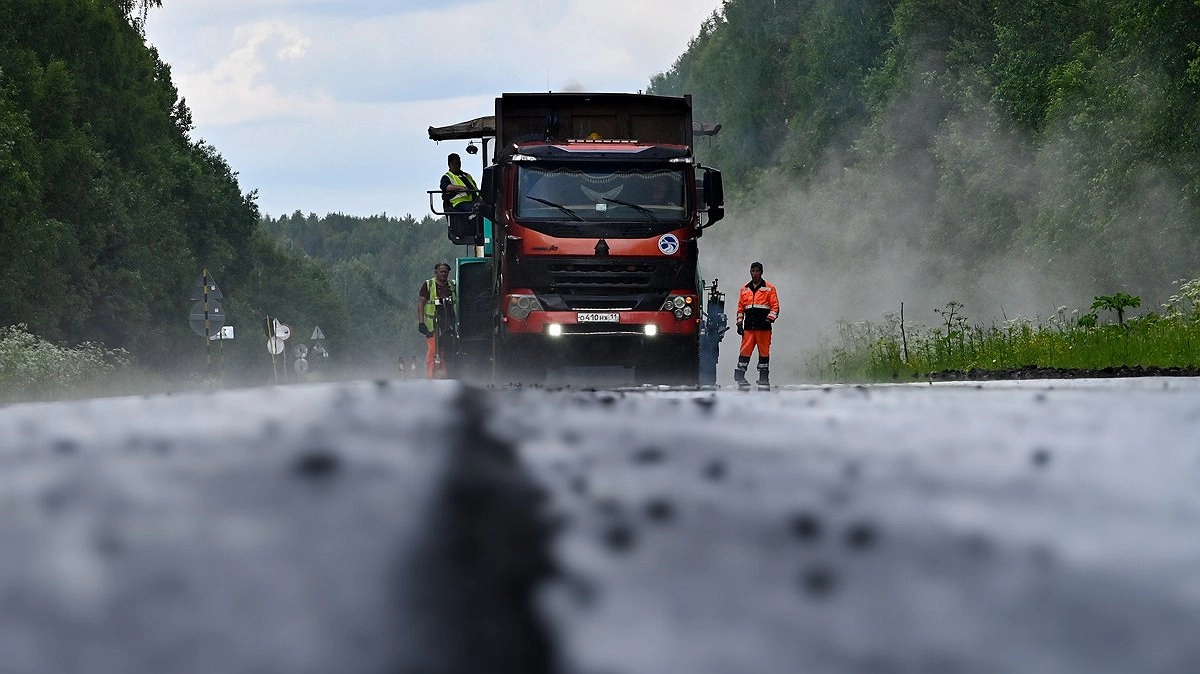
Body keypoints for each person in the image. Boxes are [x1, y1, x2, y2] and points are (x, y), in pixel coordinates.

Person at [734, 261, 780, 389]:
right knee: (744, 352)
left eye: (757, 271)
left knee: (764, 353)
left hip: (764, 328)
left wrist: (769, 320)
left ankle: (763, 378)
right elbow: (740, 308)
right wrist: (739, 324)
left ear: (761, 272)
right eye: (753, 271)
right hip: (749, 327)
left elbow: (775, 307)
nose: (755, 273)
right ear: (750, 272)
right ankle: (740, 376)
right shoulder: (744, 289)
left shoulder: (769, 288)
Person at [417, 262, 458, 379]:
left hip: (448, 324)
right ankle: (430, 376)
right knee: (433, 350)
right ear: (436, 273)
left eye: (446, 272)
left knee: (446, 350)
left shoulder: (452, 285)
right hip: (432, 325)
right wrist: (421, 322)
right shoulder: (428, 285)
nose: (444, 274)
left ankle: (444, 375)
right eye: (441, 272)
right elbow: (421, 303)